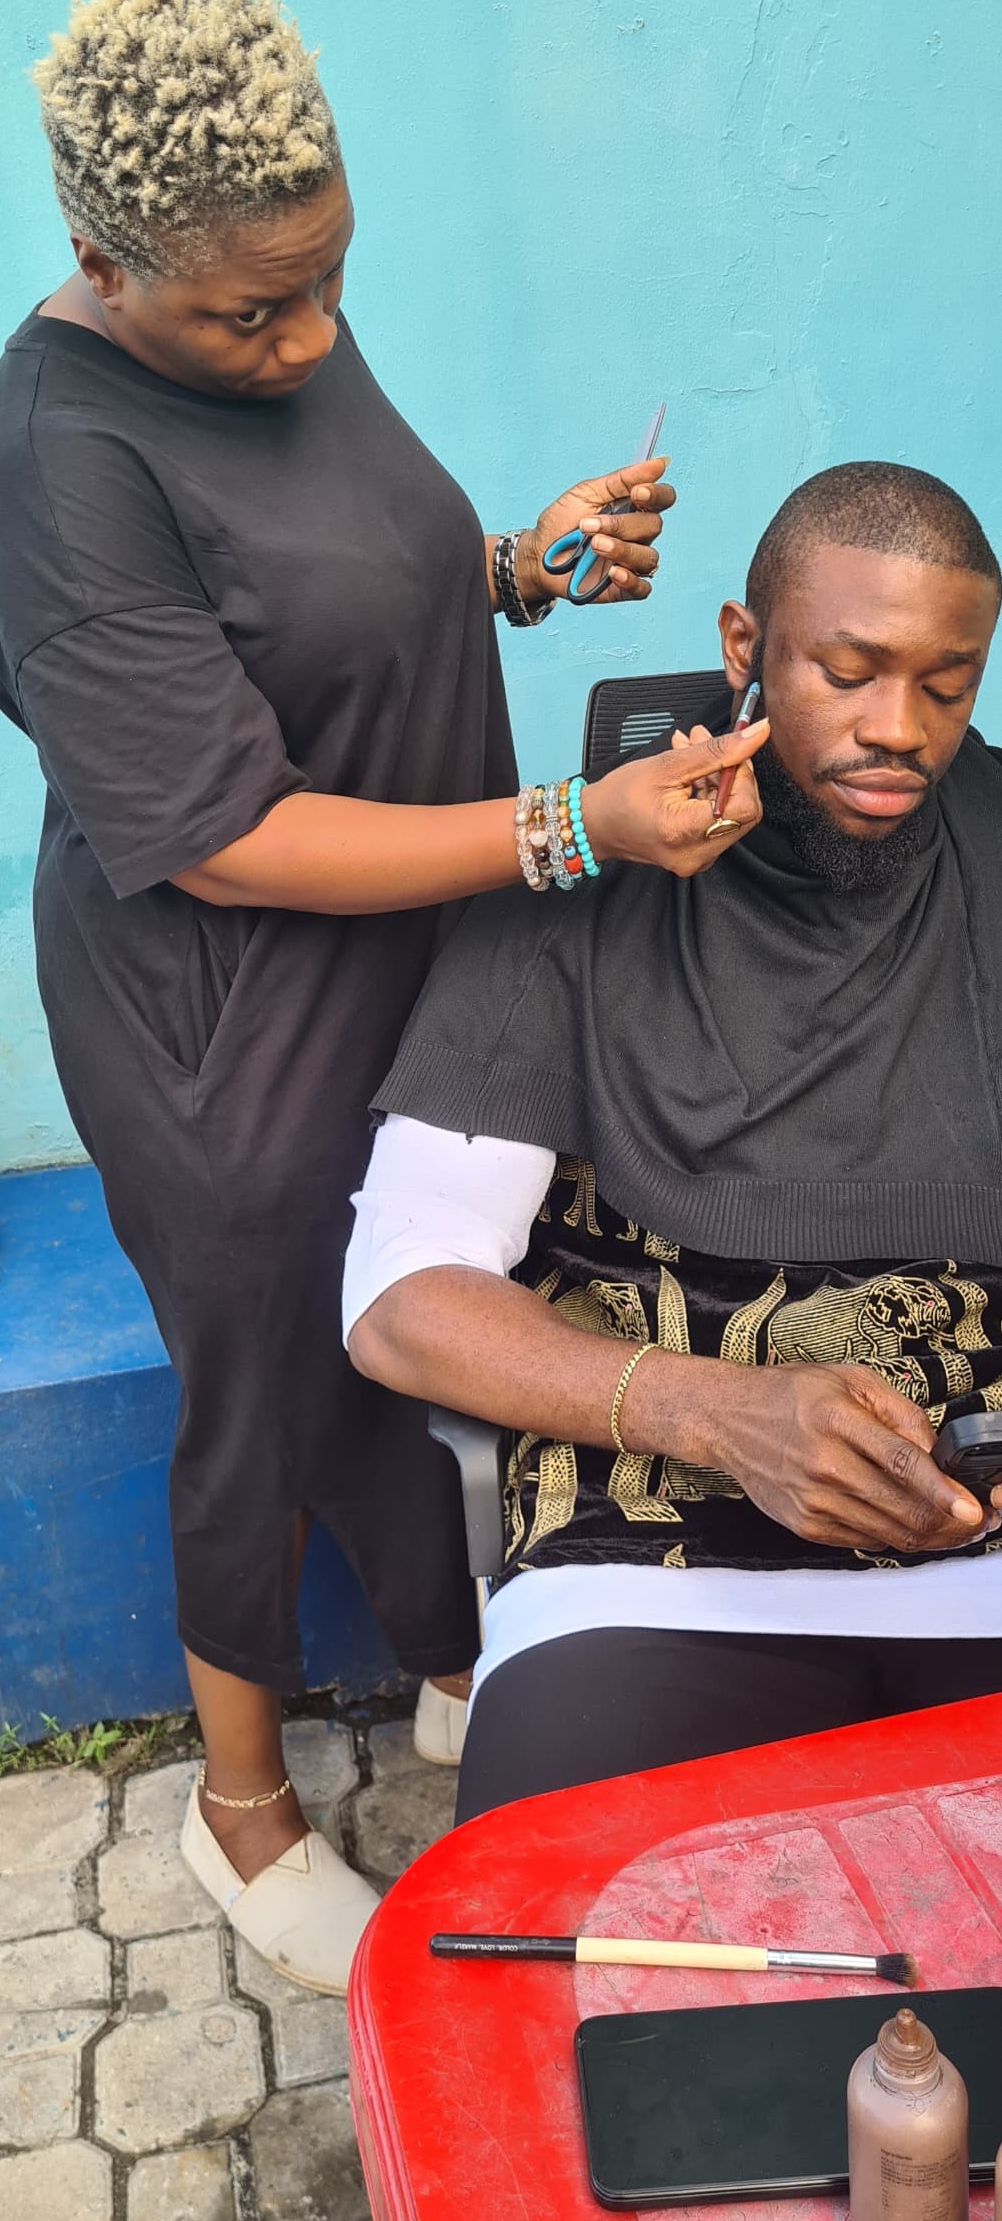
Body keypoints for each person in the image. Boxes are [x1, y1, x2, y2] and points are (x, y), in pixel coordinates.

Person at [0, 0, 766, 1991]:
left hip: (417, 933)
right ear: (102, 260)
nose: (306, 337)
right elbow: (227, 823)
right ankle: (244, 1818)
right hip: (222, 1011)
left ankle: (443, 1658)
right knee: (271, 1363)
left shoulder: (258, 295)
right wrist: (575, 829)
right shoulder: (61, 467)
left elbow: (332, 565)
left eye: (327, 283)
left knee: (451, 1288)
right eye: (253, 310)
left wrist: (518, 559)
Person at [345, 461, 1002, 1823]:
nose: (900, 729)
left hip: (978, 1513)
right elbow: (401, 1302)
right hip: (644, 1553)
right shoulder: (591, 880)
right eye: (849, 670)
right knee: (581, 1959)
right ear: (741, 647)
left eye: (947, 684)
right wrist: (716, 1411)